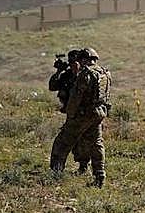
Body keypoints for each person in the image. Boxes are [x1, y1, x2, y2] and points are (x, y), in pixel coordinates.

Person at [49, 48, 111, 187]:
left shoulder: (85, 74)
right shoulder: (104, 73)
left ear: (83, 59)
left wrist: (70, 115)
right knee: (96, 144)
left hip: (83, 114)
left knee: (62, 143)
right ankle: (100, 175)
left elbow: (75, 98)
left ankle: (55, 174)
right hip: (98, 113)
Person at [48, 49, 91, 174]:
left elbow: (84, 91)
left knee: (80, 141)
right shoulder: (66, 75)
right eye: (70, 61)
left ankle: (82, 166)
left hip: (83, 114)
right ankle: (59, 169)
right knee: (72, 141)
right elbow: (52, 86)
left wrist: (77, 72)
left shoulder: (86, 75)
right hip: (72, 114)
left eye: (74, 61)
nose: (72, 64)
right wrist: (58, 72)